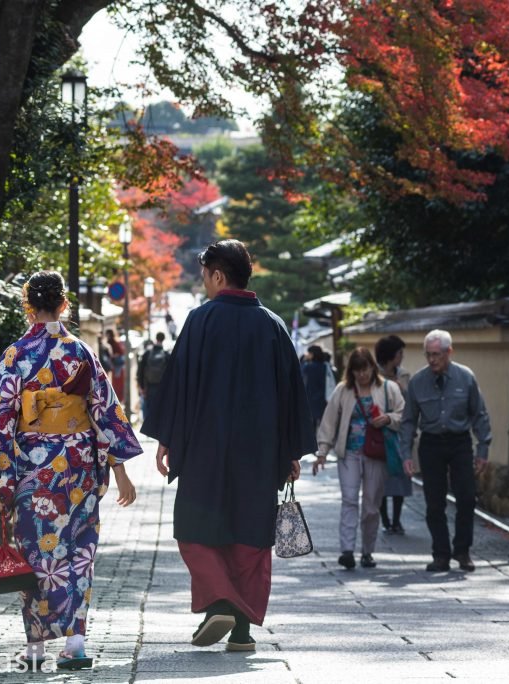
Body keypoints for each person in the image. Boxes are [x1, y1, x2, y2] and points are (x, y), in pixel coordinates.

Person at [141, 239, 315, 653]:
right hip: (260, 451)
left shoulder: (200, 321)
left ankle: (219, 601)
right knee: (250, 538)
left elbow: (178, 383)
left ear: (218, 276)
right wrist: (291, 450)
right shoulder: (273, 325)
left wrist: (167, 439)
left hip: (205, 446)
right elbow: (292, 392)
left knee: (195, 528)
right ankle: (241, 631)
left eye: (204, 276)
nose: (203, 284)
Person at [0, 271, 143, 670]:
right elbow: (104, 412)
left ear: (28, 305)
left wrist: (0, 475)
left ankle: (35, 648)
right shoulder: (81, 351)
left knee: (36, 553)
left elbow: (0, 419)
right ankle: (75, 643)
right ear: (65, 305)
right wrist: (119, 470)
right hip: (78, 466)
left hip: (33, 468)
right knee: (79, 552)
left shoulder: (15, 355)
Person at [401, 329, 491, 573]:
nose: (432, 360)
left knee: (466, 497)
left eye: (437, 355)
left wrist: (483, 448)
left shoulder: (466, 377)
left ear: (449, 352)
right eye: (428, 355)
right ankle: (441, 554)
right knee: (434, 502)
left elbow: (479, 415)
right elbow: (408, 420)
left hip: (459, 442)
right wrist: (406, 455)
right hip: (431, 443)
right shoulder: (418, 382)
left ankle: (462, 550)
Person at [314, 348, 404, 570]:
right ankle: (347, 550)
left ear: (373, 368)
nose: (362, 375)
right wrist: (322, 451)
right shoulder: (343, 391)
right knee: (349, 499)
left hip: (376, 453)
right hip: (349, 453)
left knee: (371, 506)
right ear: (351, 372)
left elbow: (404, 415)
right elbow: (329, 421)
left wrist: (388, 418)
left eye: (365, 370)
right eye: (357, 371)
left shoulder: (387, 389)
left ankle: (367, 551)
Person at [374, 335, 413, 535]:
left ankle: (397, 519)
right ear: (391, 355)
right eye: (399, 353)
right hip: (379, 432)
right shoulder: (375, 375)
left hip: (399, 430)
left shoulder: (404, 375)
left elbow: (410, 402)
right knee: (381, 478)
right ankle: (385, 520)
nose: (401, 357)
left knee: (399, 476)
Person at [137, 332, 168, 423]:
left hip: (148, 386)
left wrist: (141, 386)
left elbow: (140, 371)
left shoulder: (147, 353)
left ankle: (148, 425)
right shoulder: (166, 354)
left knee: (148, 407)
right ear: (163, 339)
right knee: (160, 407)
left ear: (156, 338)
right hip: (162, 386)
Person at [300, 345, 332, 428]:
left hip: (310, 398)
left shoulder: (308, 367)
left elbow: (300, 371)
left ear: (312, 354)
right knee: (322, 424)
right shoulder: (325, 366)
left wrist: (303, 360)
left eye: (309, 353)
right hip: (322, 398)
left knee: (311, 426)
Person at [104, 329, 126, 399]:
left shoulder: (113, 342)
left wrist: (112, 356)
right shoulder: (112, 341)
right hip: (115, 364)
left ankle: (118, 397)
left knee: (117, 382)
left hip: (117, 365)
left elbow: (120, 352)